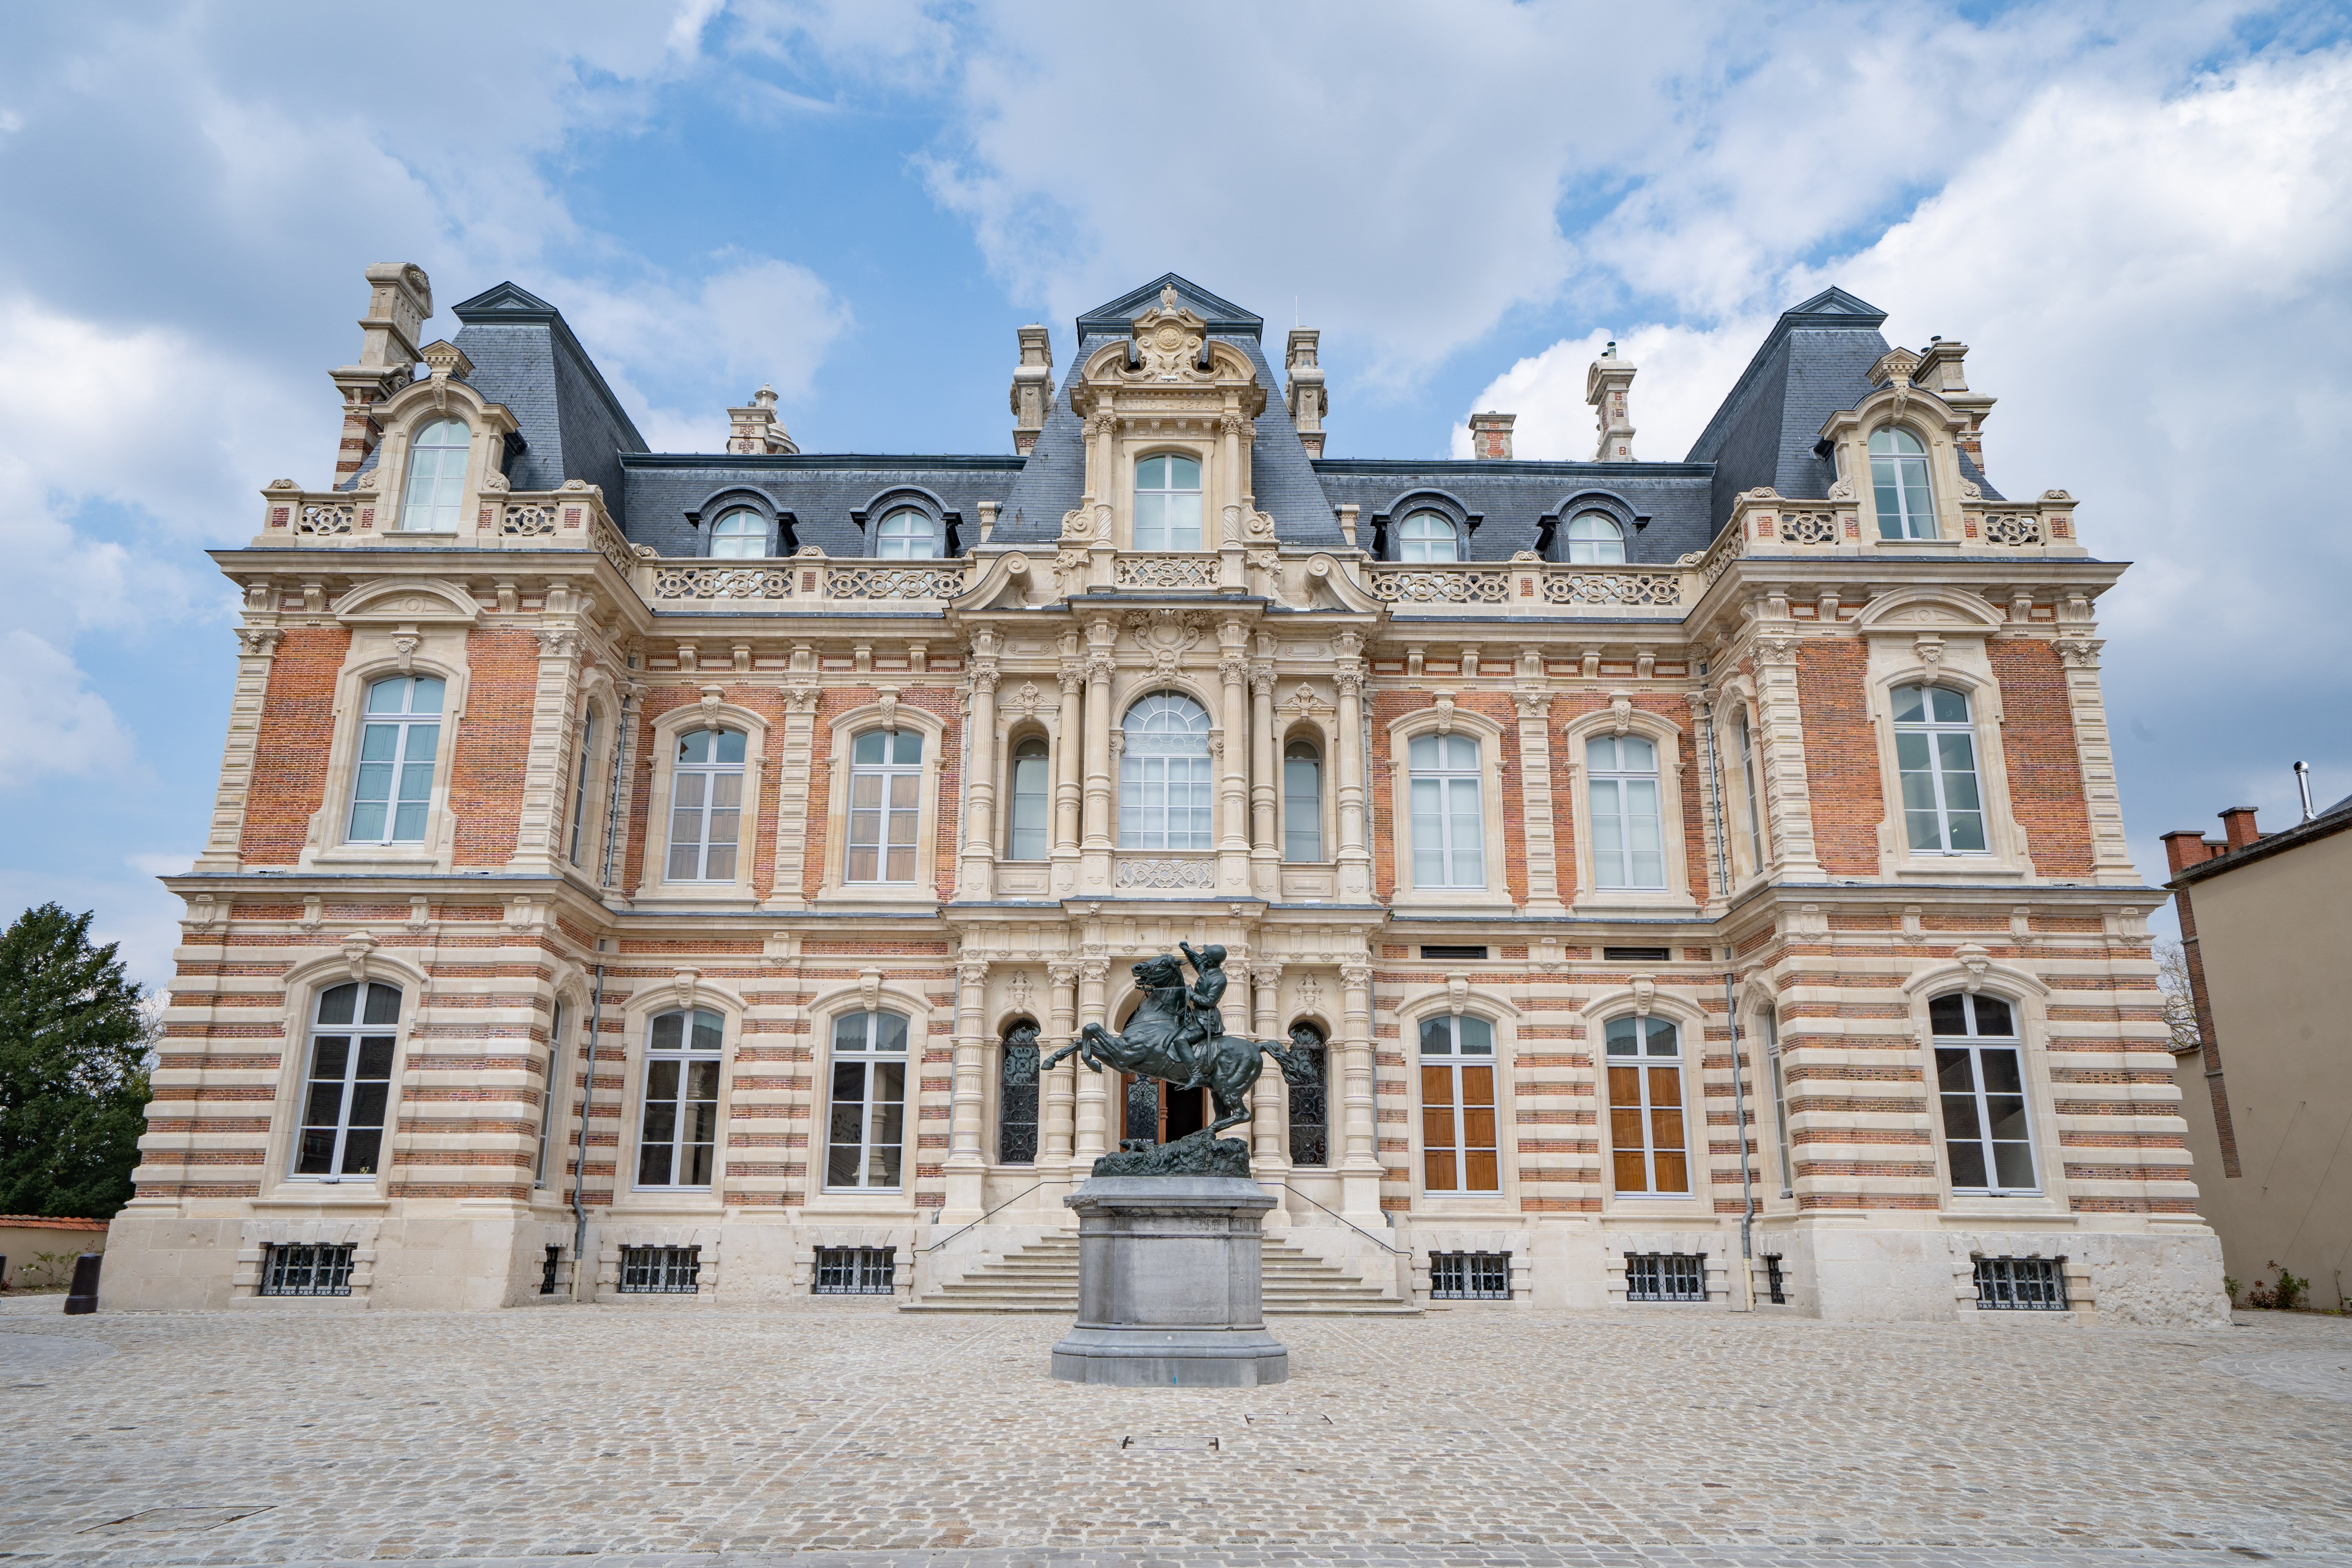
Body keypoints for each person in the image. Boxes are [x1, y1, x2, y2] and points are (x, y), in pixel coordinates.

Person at [1169, 940, 1227, 1092]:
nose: (1202, 956)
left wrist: (1192, 995)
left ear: (1211, 960)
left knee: (1181, 1040)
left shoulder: (1220, 979)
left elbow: (1209, 1001)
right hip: (1196, 1016)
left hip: (1206, 1020)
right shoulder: (1208, 970)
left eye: (1205, 955)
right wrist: (1187, 950)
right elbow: (1197, 961)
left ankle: (1196, 1075)